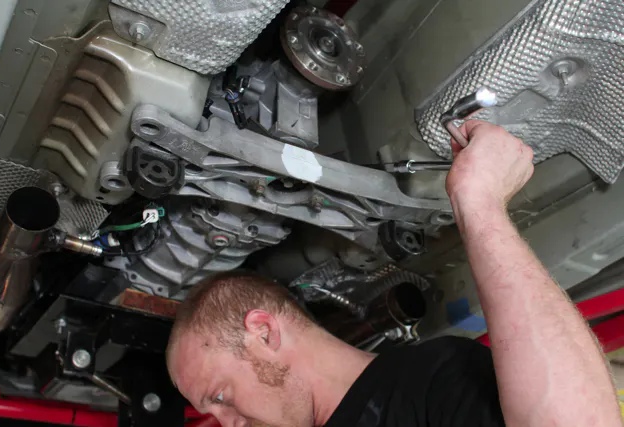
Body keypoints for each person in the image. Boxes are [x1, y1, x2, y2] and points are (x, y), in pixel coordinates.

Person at [166, 121, 623, 427]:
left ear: (264, 332)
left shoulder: (428, 383)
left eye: (219, 397)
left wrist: (479, 202)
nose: (226, 423)